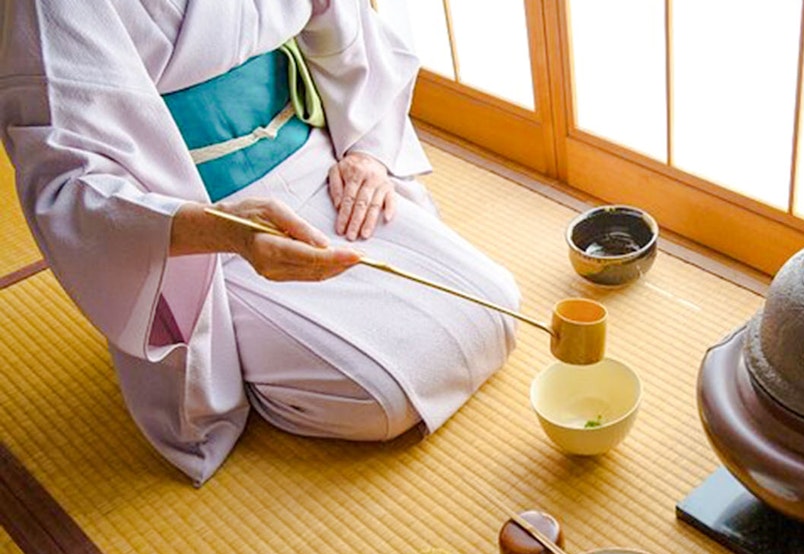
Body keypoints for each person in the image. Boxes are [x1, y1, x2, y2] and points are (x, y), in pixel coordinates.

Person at [0, 1, 520, 485]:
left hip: (318, 166)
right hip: (191, 219)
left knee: (497, 304)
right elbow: (68, 185)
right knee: (378, 394)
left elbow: (349, 34)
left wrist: (367, 155)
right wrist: (223, 231)